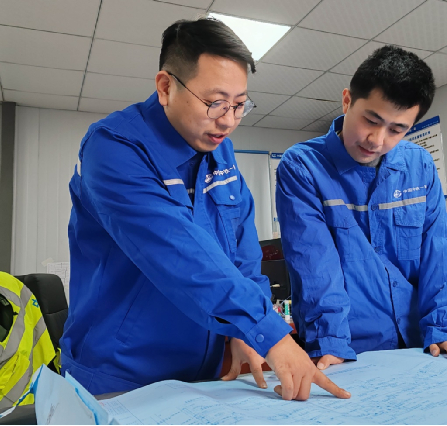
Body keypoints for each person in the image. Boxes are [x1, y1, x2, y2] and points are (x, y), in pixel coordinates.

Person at [60, 18, 349, 402]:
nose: (228, 121)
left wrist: (242, 332)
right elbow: (179, 253)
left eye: (239, 105)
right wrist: (270, 333)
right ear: (166, 87)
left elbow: (242, 252)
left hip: (207, 373)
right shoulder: (113, 149)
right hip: (122, 374)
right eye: (215, 103)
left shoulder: (218, 149)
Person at [276, 46, 447, 371]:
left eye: (397, 129)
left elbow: (438, 253)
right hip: (349, 348)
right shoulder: (303, 166)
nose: (377, 140)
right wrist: (328, 342)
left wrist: (444, 328)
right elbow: (314, 265)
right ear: (347, 101)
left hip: (422, 344)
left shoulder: (419, 165)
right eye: (371, 120)